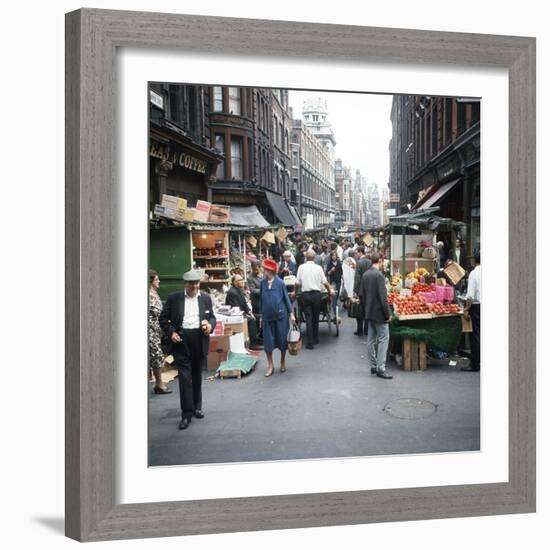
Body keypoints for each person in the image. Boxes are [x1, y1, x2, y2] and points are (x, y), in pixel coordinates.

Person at [159, 270, 216, 430]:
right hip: (182, 339)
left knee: (197, 374)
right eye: (192, 284)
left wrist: (210, 325)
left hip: (199, 337)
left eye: (197, 283)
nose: (195, 286)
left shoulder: (205, 298)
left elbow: (212, 317)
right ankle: (186, 413)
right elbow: (163, 318)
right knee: (185, 377)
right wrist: (171, 332)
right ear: (185, 284)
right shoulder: (174, 298)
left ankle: (197, 406)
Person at [358, 253, 392, 379]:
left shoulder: (366, 275)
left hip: (369, 312)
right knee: (383, 338)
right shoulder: (379, 275)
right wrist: (387, 314)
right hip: (378, 313)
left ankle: (373, 365)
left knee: (371, 340)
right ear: (381, 261)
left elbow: (361, 294)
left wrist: (365, 309)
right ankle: (380, 368)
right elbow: (383, 298)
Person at [259, 258, 295, 377]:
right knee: (268, 343)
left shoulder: (280, 283)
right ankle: (270, 366)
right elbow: (261, 301)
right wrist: (261, 316)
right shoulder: (262, 283)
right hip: (267, 318)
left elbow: (286, 299)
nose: (263, 272)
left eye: (264, 270)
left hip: (281, 317)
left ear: (270, 271)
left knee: (282, 341)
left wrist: (291, 314)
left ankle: (282, 361)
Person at [295, 249, 335, 350]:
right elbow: (325, 282)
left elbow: (297, 283)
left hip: (305, 295)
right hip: (317, 295)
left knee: (309, 318)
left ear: (306, 258)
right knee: (315, 317)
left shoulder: (301, 267)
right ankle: (316, 338)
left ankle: (310, 342)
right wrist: (330, 291)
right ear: (314, 258)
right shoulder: (319, 268)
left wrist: (295, 293)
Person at [149, 270, 172, 395]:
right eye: (156, 279)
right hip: (150, 330)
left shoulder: (154, 293)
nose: (159, 281)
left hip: (156, 330)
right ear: (150, 281)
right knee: (156, 355)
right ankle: (159, 384)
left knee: (156, 355)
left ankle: (158, 383)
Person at [226, 273, 262, 349]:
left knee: (260, 317)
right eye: (240, 280)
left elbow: (244, 304)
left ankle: (257, 338)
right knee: (251, 320)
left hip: (242, 312)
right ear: (235, 282)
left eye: (242, 279)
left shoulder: (240, 290)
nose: (243, 281)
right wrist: (248, 315)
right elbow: (236, 310)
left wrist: (250, 312)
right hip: (236, 315)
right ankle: (253, 343)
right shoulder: (232, 292)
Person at [461, 252, 481, 372]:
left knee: (476, 336)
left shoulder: (474, 273)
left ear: (474, 261)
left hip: (477, 306)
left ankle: (475, 364)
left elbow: (470, 295)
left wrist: (466, 308)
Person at [353, 246, 372, 336]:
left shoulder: (359, 262)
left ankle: (359, 330)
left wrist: (355, 291)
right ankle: (367, 329)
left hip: (361, 290)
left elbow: (357, 278)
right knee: (367, 309)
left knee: (359, 310)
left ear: (360, 252)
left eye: (357, 252)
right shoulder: (370, 262)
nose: (356, 254)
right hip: (369, 289)